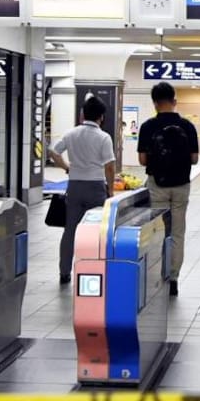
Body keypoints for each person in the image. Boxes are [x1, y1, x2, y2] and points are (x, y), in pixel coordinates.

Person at [137, 82, 199, 297]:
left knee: (159, 231)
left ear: (154, 103)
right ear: (174, 101)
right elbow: (194, 158)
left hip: (158, 185)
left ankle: (158, 274)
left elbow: (143, 160)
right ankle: (174, 278)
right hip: (181, 185)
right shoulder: (188, 126)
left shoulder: (147, 127)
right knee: (178, 232)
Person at [48, 96, 116, 285]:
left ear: (82, 114)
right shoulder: (103, 137)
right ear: (101, 117)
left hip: (75, 186)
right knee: (96, 230)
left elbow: (53, 152)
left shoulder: (71, 134)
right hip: (96, 187)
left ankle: (64, 272)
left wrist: (67, 167)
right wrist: (110, 190)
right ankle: (94, 267)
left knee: (70, 230)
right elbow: (110, 167)